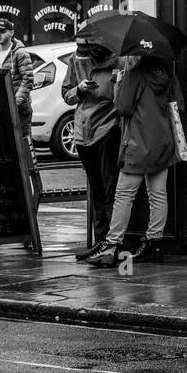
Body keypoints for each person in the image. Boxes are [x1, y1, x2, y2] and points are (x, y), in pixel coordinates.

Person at [83, 53, 186, 267]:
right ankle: (154, 243)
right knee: (158, 194)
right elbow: (179, 105)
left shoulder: (134, 74)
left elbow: (122, 107)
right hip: (163, 141)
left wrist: (119, 80)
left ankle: (111, 245)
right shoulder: (168, 74)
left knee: (123, 194)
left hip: (138, 142)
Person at [61, 34, 120, 257]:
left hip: (108, 128)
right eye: (84, 50)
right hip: (83, 131)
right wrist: (79, 90)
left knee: (109, 187)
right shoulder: (76, 61)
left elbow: (122, 97)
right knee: (96, 188)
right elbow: (66, 95)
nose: (87, 55)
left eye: (91, 50)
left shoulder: (118, 63)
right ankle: (100, 240)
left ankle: (111, 242)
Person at [0, 18, 34, 146]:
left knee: (23, 146)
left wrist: (14, 103)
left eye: (2, 31)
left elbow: (28, 80)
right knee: (3, 145)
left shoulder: (20, 52)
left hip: (19, 109)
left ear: (11, 33)